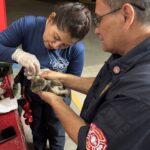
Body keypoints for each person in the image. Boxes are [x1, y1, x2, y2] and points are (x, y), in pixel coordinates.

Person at [35, 0, 150, 150]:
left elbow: (92, 142)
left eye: (99, 19)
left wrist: (55, 101)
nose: (96, 30)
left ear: (126, 16)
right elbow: (105, 87)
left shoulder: (140, 92)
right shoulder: (129, 51)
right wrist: (58, 77)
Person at [0, 2, 91, 150]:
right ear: (51, 18)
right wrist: (17, 54)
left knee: (56, 129)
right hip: (33, 95)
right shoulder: (28, 25)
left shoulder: (77, 50)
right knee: (36, 125)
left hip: (58, 99)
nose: (55, 46)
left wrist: (48, 81)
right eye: (55, 37)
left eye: (64, 45)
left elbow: (72, 82)